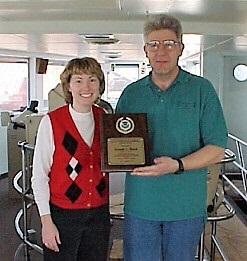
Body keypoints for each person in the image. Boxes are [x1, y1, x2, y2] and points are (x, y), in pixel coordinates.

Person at [115, 14, 228, 261]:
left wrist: (176, 165)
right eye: (153, 44)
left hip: (185, 204)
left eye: (169, 43)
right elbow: (116, 141)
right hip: (141, 204)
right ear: (145, 50)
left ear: (181, 48)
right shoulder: (131, 94)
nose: (161, 51)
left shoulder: (202, 90)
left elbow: (217, 148)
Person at [31, 57, 110, 261]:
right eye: (78, 80)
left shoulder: (106, 119)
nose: (86, 86)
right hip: (63, 214)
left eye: (92, 80)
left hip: (99, 213)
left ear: (100, 85)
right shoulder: (52, 122)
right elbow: (39, 176)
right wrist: (46, 223)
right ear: (68, 86)